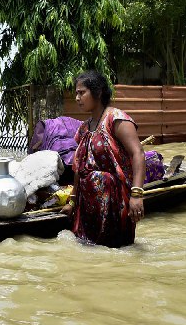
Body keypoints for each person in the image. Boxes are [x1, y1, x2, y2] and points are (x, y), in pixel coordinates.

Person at [61, 71, 146, 247]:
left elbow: (138, 153)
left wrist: (137, 195)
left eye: (81, 92)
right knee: (89, 251)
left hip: (114, 205)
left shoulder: (116, 119)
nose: (77, 98)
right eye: (76, 93)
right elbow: (79, 168)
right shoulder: (84, 129)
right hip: (87, 206)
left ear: (98, 92)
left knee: (116, 251)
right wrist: (72, 201)